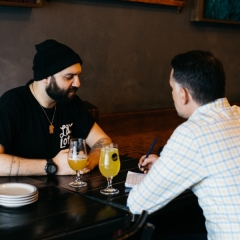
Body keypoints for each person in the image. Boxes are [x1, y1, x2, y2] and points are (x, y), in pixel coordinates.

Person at [127, 50, 240, 239]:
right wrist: (166, 166)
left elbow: (138, 204)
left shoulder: (191, 133)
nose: (172, 94)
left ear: (183, 94)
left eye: (172, 88)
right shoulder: (237, 115)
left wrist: (159, 173)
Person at [0, 39, 112, 176]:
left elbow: (104, 142)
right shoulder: (12, 104)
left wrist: (88, 162)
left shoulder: (71, 102)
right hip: (22, 193)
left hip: (64, 191)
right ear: (45, 77)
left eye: (78, 76)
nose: (78, 83)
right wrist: (52, 166)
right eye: (69, 77)